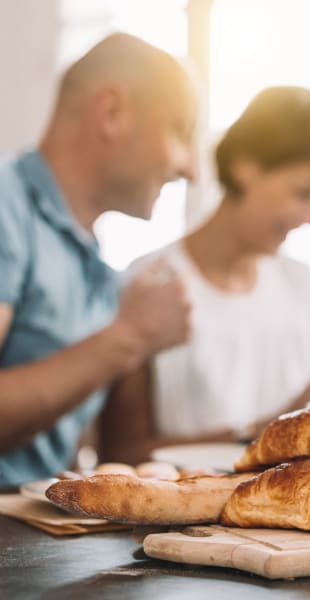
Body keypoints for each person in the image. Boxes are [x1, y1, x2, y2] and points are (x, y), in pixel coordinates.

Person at [100, 86, 310, 464]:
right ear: (246, 165)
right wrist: (269, 431)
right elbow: (122, 454)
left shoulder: (302, 286)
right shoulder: (150, 283)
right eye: (304, 193)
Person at [0, 33, 199, 486]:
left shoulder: (96, 267)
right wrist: (130, 336)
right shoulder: (5, 203)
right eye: (181, 132)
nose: (193, 170)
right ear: (112, 113)